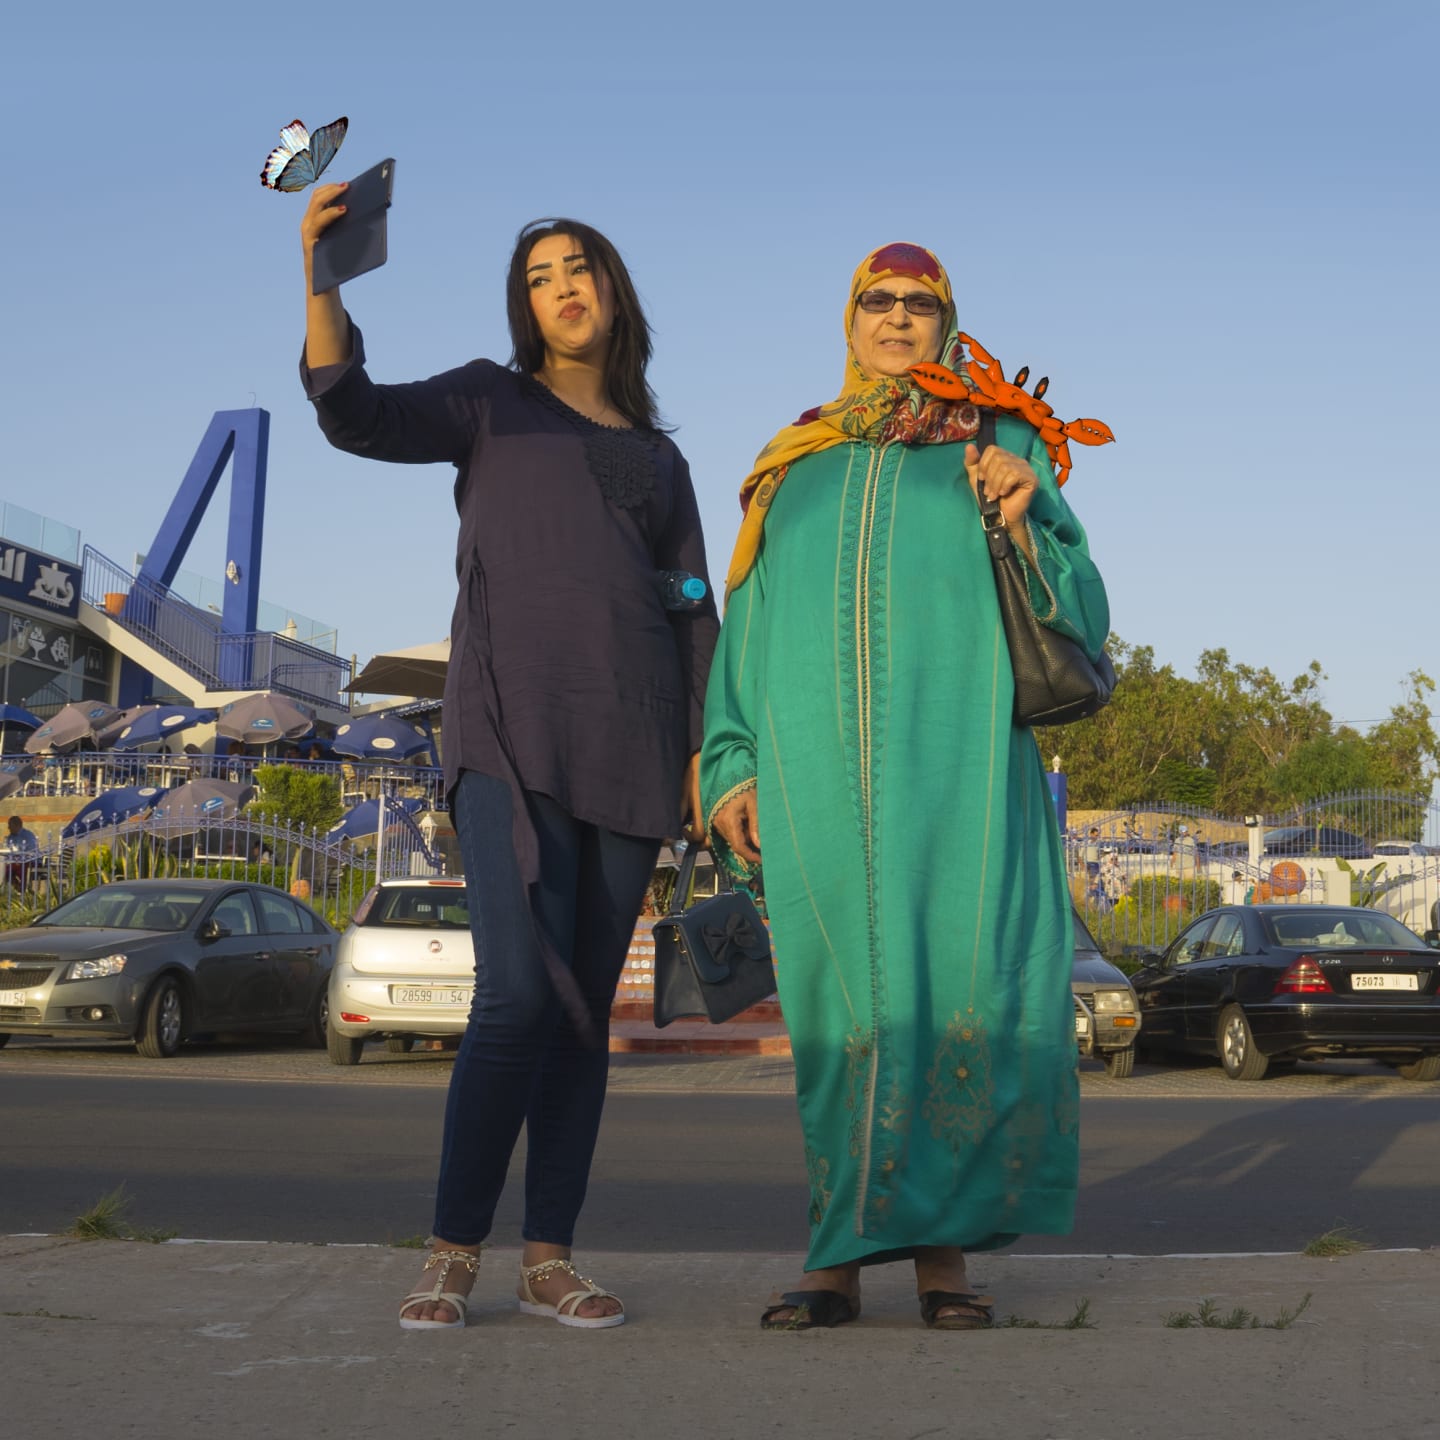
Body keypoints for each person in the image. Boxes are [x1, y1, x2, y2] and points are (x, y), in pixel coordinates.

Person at [299, 191, 719, 1331]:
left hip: (633, 750)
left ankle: (547, 1259)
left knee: (583, 1020)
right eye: (540, 277)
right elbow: (354, 412)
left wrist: (702, 750)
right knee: (518, 996)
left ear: (613, 289)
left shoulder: (656, 458)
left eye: (579, 268)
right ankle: (452, 1250)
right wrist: (324, 280)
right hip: (506, 733)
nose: (563, 287)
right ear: (522, 308)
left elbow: (690, 604)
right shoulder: (492, 401)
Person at [702, 242, 1110, 1331]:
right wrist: (733, 759)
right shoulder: (795, 462)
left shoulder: (998, 442)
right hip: (816, 776)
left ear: (947, 321)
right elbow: (748, 624)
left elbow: (1083, 607)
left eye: (918, 304)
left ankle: (944, 1262)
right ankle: (835, 1257)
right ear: (849, 321)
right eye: (876, 301)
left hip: (961, 767)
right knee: (842, 1014)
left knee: (954, 999)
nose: (896, 318)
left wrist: (1023, 512)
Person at [3, 813, 39, 890]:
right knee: (4, 869)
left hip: (28, 861)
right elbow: (7, 850)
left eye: (10, 825)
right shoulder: (10, 837)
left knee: (15, 869)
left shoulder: (28, 835)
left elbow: (32, 851)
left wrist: (19, 858)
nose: (8, 827)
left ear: (17, 825)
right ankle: (18, 888)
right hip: (14, 861)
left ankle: (22, 889)